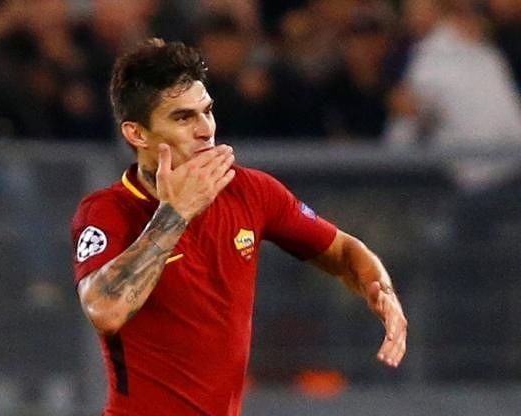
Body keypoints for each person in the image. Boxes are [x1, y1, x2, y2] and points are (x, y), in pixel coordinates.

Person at [71, 38, 407, 416]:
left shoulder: (250, 191)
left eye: (207, 111)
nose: (205, 129)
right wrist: (176, 213)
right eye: (183, 118)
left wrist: (381, 289)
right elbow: (105, 309)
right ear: (137, 133)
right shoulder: (108, 210)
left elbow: (344, 250)